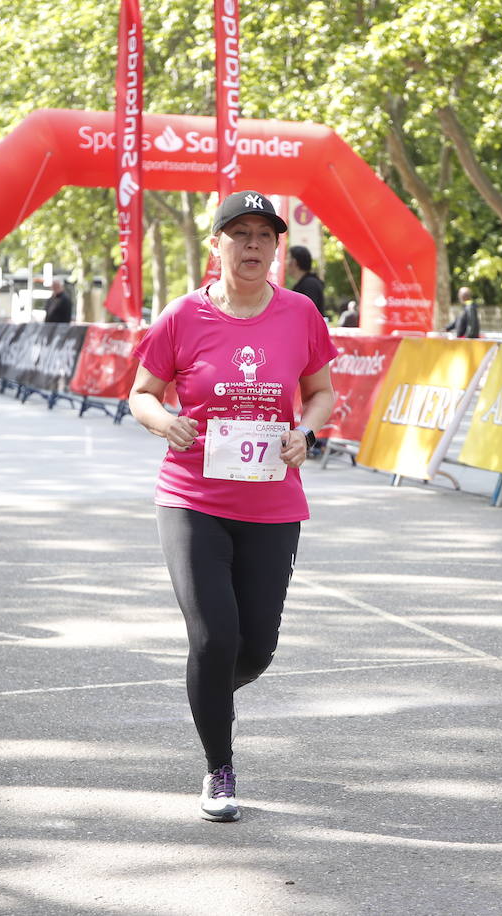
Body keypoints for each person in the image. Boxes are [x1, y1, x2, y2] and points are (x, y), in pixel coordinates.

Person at [129, 190, 337, 824]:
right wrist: (166, 422)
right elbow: (141, 393)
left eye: (264, 236)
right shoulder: (182, 316)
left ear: (277, 248)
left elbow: (322, 391)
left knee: (257, 649)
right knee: (215, 637)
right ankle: (219, 767)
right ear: (216, 244)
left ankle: (207, 694)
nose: (252, 246)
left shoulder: (301, 313)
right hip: (193, 498)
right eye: (239, 233)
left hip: (273, 502)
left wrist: (307, 432)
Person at [285, 245, 325, 315]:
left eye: (287, 258)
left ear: (294, 262)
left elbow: (307, 313)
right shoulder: (307, 283)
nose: (285, 263)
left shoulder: (310, 284)